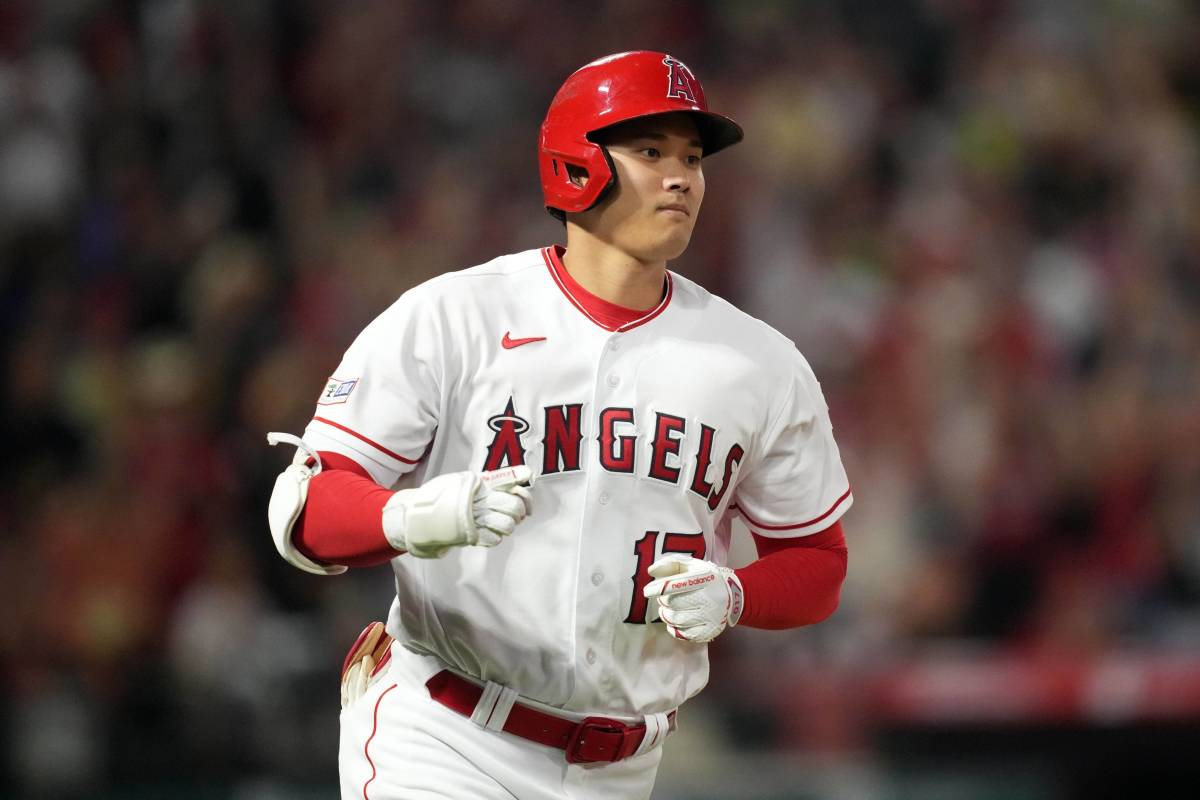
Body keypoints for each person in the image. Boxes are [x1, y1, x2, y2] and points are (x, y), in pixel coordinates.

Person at [266, 50, 852, 800]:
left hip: (623, 767)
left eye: (693, 158)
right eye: (650, 152)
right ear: (577, 165)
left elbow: (819, 561)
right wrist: (416, 514)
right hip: (445, 733)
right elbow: (305, 511)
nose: (681, 177)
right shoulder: (456, 316)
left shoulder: (758, 362)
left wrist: (737, 594)